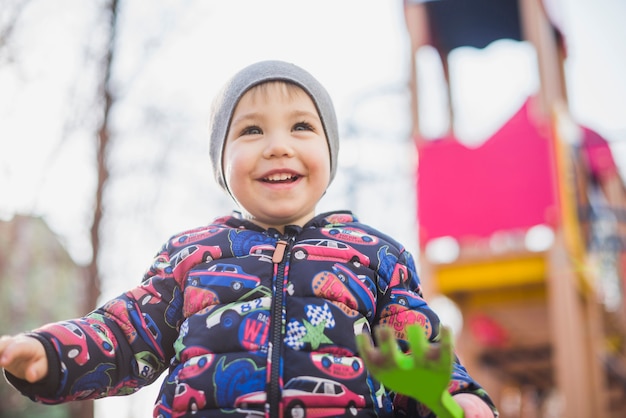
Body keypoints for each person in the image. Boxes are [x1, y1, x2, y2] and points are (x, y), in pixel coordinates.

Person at [0, 60, 498, 418]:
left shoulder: (374, 255)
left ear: (329, 154)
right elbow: (126, 335)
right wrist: (49, 353)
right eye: (251, 130)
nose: (277, 146)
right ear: (222, 164)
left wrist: (456, 396)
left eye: (302, 127)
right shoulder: (193, 255)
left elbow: (417, 348)